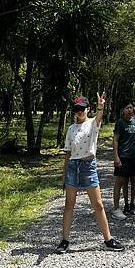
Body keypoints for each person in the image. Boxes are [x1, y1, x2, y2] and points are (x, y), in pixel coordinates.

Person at [55, 93, 124, 254]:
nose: (79, 112)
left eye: (82, 109)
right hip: (73, 166)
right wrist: (64, 175)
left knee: (98, 205)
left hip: (88, 165)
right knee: (69, 205)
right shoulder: (71, 129)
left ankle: (108, 239)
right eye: (77, 109)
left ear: (88, 109)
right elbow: (67, 153)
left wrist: (101, 105)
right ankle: (65, 240)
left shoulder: (93, 124)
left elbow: (99, 116)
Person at [112, 100, 135, 219]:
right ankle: (116, 209)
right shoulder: (120, 123)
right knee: (120, 182)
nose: (130, 110)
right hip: (123, 157)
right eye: (127, 108)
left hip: (134, 158)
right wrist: (116, 157)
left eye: (131, 108)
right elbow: (116, 139)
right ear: (123, 110)